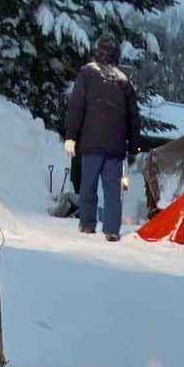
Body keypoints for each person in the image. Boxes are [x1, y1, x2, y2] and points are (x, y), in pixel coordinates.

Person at [64, 32, 140, 242]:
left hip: (91, 143)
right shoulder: (124, 81)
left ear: (96, 52)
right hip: (115, 146)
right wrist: (133, 148)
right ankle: (112, 228)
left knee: (88, 185)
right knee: (113, 189)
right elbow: (134, 117)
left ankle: (88, 224)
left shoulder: (87, 74)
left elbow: (77, 107)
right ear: (116, 55)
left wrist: (71, 136)